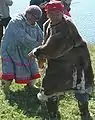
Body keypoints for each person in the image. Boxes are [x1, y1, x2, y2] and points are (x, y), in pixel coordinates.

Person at [28, 1, 94, 120]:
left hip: (76, 62)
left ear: (62, 12)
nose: (54, 16)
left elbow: (56, 47)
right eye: (51, 13)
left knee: (80, 88)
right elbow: (47, 43)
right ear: (47, 14)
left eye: (57, 13)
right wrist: (42, 58)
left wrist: (37, 52)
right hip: (57, 64)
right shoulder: (47, 24)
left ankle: (85, 114)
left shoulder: (67, 25)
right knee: (50, 89)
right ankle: (53, 116)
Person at [1, 5, 43, 93]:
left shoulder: (34, 24)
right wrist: (37, 45)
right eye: (33, 17)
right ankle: (6, 88)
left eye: (36, 19)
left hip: (26, 50)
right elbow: (22, 37)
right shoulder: (16, 21)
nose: (34, 21)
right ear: (28, 13)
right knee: (9, 69)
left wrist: (43, 45)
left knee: (32, 68)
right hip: (11, 49)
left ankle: (31, 85)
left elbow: (40, 35)